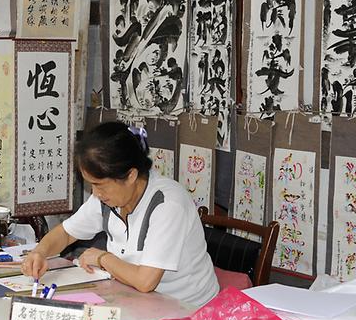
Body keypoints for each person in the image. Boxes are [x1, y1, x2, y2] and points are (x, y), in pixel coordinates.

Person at [22, 121, 218, 306]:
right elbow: (66, 233)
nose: (96, 193)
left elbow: (145, 281)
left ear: (131, 175)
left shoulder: (167, 204)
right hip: (135, 299)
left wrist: (102, 258)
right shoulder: (108, 198)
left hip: (187, 309)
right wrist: (40, 252)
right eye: (91, 185)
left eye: (100, 185)